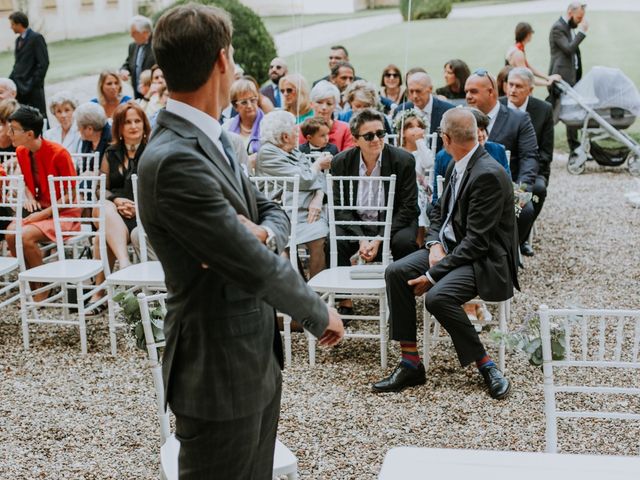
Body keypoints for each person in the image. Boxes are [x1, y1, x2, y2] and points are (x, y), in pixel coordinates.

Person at [137, 5, 343, 478]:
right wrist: (315, 311)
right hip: (217, 370)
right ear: (222, 61)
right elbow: (250, 263)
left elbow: (270, 210)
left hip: (254, 359)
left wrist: (264, 230)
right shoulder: (174, 159)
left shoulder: (216, 141)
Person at [373, 108, 517, 399]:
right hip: (451, 249)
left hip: (483, 261)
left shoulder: (487, 174)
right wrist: (434, 244)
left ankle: (486, 365)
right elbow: (437, 211)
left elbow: (477, 243)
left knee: (437, 297)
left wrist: (431, 274)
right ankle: (410, 362)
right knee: (396, 272)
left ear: (446, 138)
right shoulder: (457, 164)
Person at [330, 108, 419, 315]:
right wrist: (362, 238)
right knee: (333, 241)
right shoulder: (341, 162)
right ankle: (345, 303)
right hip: (357, 222)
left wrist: (379, 238)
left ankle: (403, 300)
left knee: (404, 243)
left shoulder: (403, 160)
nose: (376, 139)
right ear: (355, 139)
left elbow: (408, 207)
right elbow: (339, 209)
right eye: (369, 136)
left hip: (395, 221)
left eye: (380, 133)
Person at [5, 106, 79, 301]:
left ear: (29, 134)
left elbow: (72, 195)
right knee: (11, 234)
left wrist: (44, 214)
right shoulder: (21, 151)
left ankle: (43, 287)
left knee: (26, 235)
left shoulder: (59, 153)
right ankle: (33, 283)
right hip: (40, 209)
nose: (8, 133)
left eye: (13, 129)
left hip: (64, 212)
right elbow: (26, 182)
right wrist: (29, 198)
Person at [465, 70, 539, 256]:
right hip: (468, 187)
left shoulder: (518, 119)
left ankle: (507, 252)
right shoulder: (460, 117)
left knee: (526, 210)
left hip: (507, 185)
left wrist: (522, 188)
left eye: (473, 91)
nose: (467, 96)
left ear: (491, 92)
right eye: (466, 91)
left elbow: (529, 157)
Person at [88, 102, 151, 312]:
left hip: (143, 213)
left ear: (144, 124)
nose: (133, 126)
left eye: (137, 121)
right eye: (127, 122)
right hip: (115, 212)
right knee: (105, 206)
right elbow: (101, 189)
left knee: (100, 237)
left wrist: (137, 206)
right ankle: (124, 266)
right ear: (119, 128)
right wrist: (116, 200)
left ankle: (100, 292)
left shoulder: (152, 151)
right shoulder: (111, 153)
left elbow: (160, 190)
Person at [256, 110, 330, 278]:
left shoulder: (293, 150)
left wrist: (318, 197)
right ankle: (298, 290)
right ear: (284, 136)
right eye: (295, 131)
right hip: (282, 212)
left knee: (320, 236)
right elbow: (304, 179)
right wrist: (318, 164)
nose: (298, 134)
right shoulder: (268, 153)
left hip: (305, 211)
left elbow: (318, 179)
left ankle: (315, 290)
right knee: (289, 245)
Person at [502, 67, 554, 253]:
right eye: (510, 85)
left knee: (537, 191)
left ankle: (521, 236)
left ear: (530, 90)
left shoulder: (543, 110)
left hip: (532, 170)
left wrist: (526, 176)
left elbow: (547, 152)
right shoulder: (497, 106)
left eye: (518, 86)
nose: (513, 90)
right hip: (501, 168)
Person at [432, 108, 510, 204]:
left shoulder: (497, 150)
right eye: (476, 130)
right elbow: (437, 198)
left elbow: (507, 185)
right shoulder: (444, 157)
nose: (481, 134)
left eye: (482, 129)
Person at [548, 1, 589, 154]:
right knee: (554, 114)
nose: (580, 21)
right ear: (570, 13)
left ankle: (575, 147)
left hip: (570, 77)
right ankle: (540, 141)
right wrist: (582, 32)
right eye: (579, 18)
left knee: (571, 112)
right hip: (560, 78)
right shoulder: (558, 28)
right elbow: (569, 49)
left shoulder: (568, 27)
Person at [394, 108, 433, 241]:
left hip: (421, 191)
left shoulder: (423, 151)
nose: (416, 130)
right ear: (402, 132)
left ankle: (420, 241)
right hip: (402, 190)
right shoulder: (398, 152)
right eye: (410, 127)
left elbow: (428, 164)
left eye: (419, 127)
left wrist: (420, 142)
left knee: (419, 199)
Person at [395, 72, 455, 152]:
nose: (414, 96)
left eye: (418, 91)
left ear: (430, 89)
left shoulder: (448, 111)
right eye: (411, 91)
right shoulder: (401, 110)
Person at [8, 11, 49, 119]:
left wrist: (34, 83)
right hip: (20, 87)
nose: (11, 27)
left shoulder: (36, 38)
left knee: (39, 117)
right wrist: (10, 81)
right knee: (23, 118)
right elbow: (18, 64)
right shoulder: (18, 41)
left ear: (19, 24)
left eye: (12, 24)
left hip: (33, 88)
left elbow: (44, 63)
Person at [506, 22, 561, 86]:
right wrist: (547, 83)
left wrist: (548, 77)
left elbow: (530, 69)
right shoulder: (518, 54)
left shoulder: (517, 49)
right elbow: (526, 77)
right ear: (528, 35)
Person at [306, 80, 354, 151]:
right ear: (311, 104)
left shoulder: (346, 130)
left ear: (335, 106)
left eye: (329, 103)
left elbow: (348, 158)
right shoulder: (300, 130)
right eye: (319, 102)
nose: (324, 107)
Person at [223, 78, 264, 157]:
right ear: (235, 106)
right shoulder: (227, 127)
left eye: (252, 100)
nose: (249, 106)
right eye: (244, 102)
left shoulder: (268, 125)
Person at [119, 15, 156, 100]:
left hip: (153, 94)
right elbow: (128, 63)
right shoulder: (132, 46)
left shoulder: (157, 46)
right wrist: (124, 70)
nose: (131, 35)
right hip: (137, 93)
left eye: (134, 32)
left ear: (145, 33)